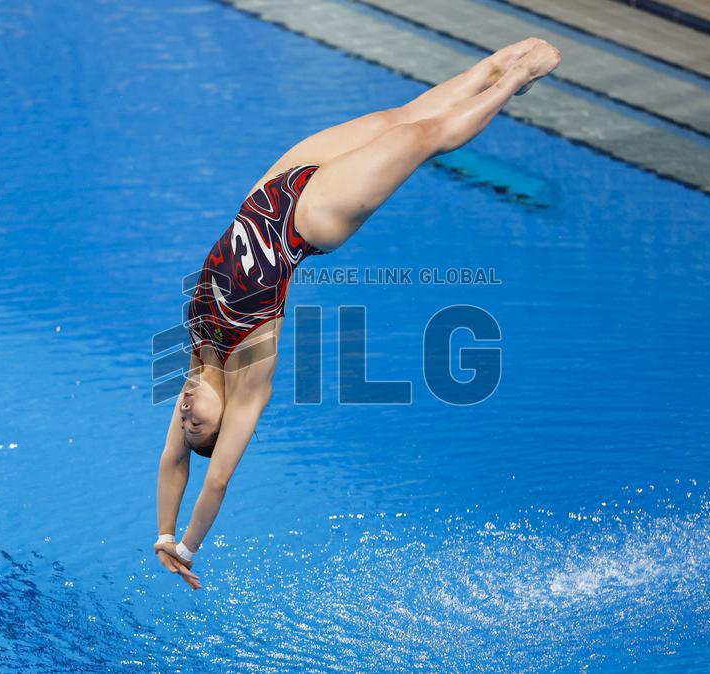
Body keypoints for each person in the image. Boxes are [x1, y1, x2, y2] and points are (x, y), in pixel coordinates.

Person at [154, 38, 562, 589]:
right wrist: (187, 545)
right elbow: (216, 480)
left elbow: (172, 464)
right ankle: (516, 80)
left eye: (182, 421)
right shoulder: (249, 380)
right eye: (195, 422)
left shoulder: (197, 364)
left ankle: (491, 67)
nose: (183, 414)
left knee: (396, 117)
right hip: (308, 221)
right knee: (421, 137)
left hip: (265, 195)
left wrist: (161, 532)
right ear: (222, 419)